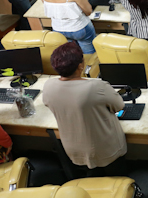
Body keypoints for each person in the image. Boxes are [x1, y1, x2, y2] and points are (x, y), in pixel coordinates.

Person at [42, 41, 127, 177]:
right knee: (117, 178)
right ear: (80, 66)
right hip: (105, 149)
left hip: (74, 150)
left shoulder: (48, 86)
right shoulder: (97, 87)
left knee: (92, 178)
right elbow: (119, 106)